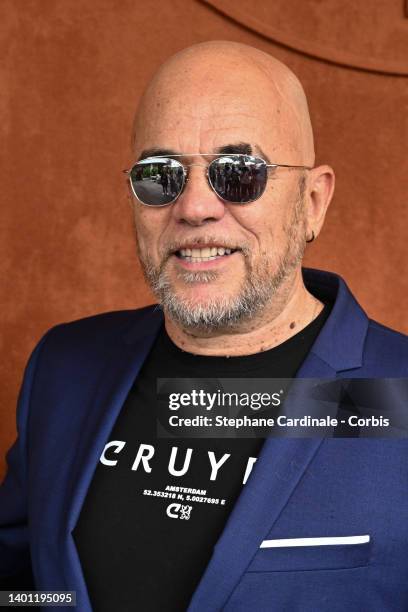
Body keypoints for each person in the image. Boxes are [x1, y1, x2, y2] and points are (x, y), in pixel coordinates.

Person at [1, 40, 408, 612]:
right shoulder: (65, 367)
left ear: (312, 202)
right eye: (159, 174)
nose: (194, 207)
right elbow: (22, 581)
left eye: (239, 173)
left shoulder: (399, 398)